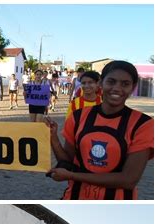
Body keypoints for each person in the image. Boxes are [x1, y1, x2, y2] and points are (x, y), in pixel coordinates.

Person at [45, 60, 154, 200]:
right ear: (101, 83)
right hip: (75, 197)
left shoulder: (143, 124)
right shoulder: (78, 117)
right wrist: (53, 137)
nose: (117, 88)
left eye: (125, 84)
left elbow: (129, 180)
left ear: (133, 87)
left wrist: (72, 176)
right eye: (111, 81)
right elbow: (67, 162)